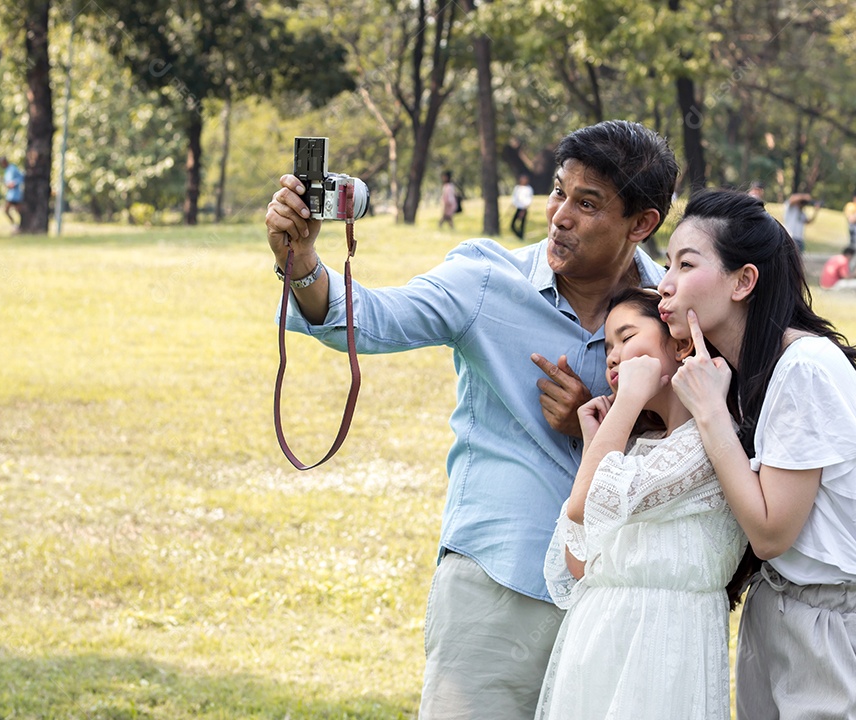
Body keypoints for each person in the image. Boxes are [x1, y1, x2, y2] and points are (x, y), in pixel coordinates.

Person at [265, 120, 679, 719]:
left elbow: (711, 440)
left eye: (587, 204)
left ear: (642, 224)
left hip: (623, 596)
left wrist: (605, 426)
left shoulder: (673, 308)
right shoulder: (487, 280)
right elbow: (369, 319)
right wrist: (302, 261)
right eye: (558, 192)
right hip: (497, 585)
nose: (559, 215)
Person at [659, 189, 856, 719]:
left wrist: (710, 413)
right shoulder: (747, 373)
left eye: (686, 264)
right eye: (667, 264)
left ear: (743, 281)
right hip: (781, 612)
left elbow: (772, 533)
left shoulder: (803, 368)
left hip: (838, 631)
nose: (665, 284)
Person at [535, 288, 746, 719]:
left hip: (660, 651)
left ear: (681, 343)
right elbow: (578, 565)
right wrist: (601, 438)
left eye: (627, 337)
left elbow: (584, 506)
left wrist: (626, 403)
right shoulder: (638, 449)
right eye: (608, 347)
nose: (613, 357)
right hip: (598, 645)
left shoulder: (707, 444)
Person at [0, 157, 24, 229]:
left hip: (16, 194)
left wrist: (14, 183)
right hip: (10, 194)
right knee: (6, 210)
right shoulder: (6, 170)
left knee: (18, 211)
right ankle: (15, 225)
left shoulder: (13, 169)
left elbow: (21, 177)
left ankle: (20, 226)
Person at [511, 174, 534, 239]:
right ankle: (519, 235)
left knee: (522, 225)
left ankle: (521, 237)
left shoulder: (529, 189)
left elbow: (529, 200)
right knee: (512, 224)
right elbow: (514, 197)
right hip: (518, 208)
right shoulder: (517, 188)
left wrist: (524, 209)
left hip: (524, 208)